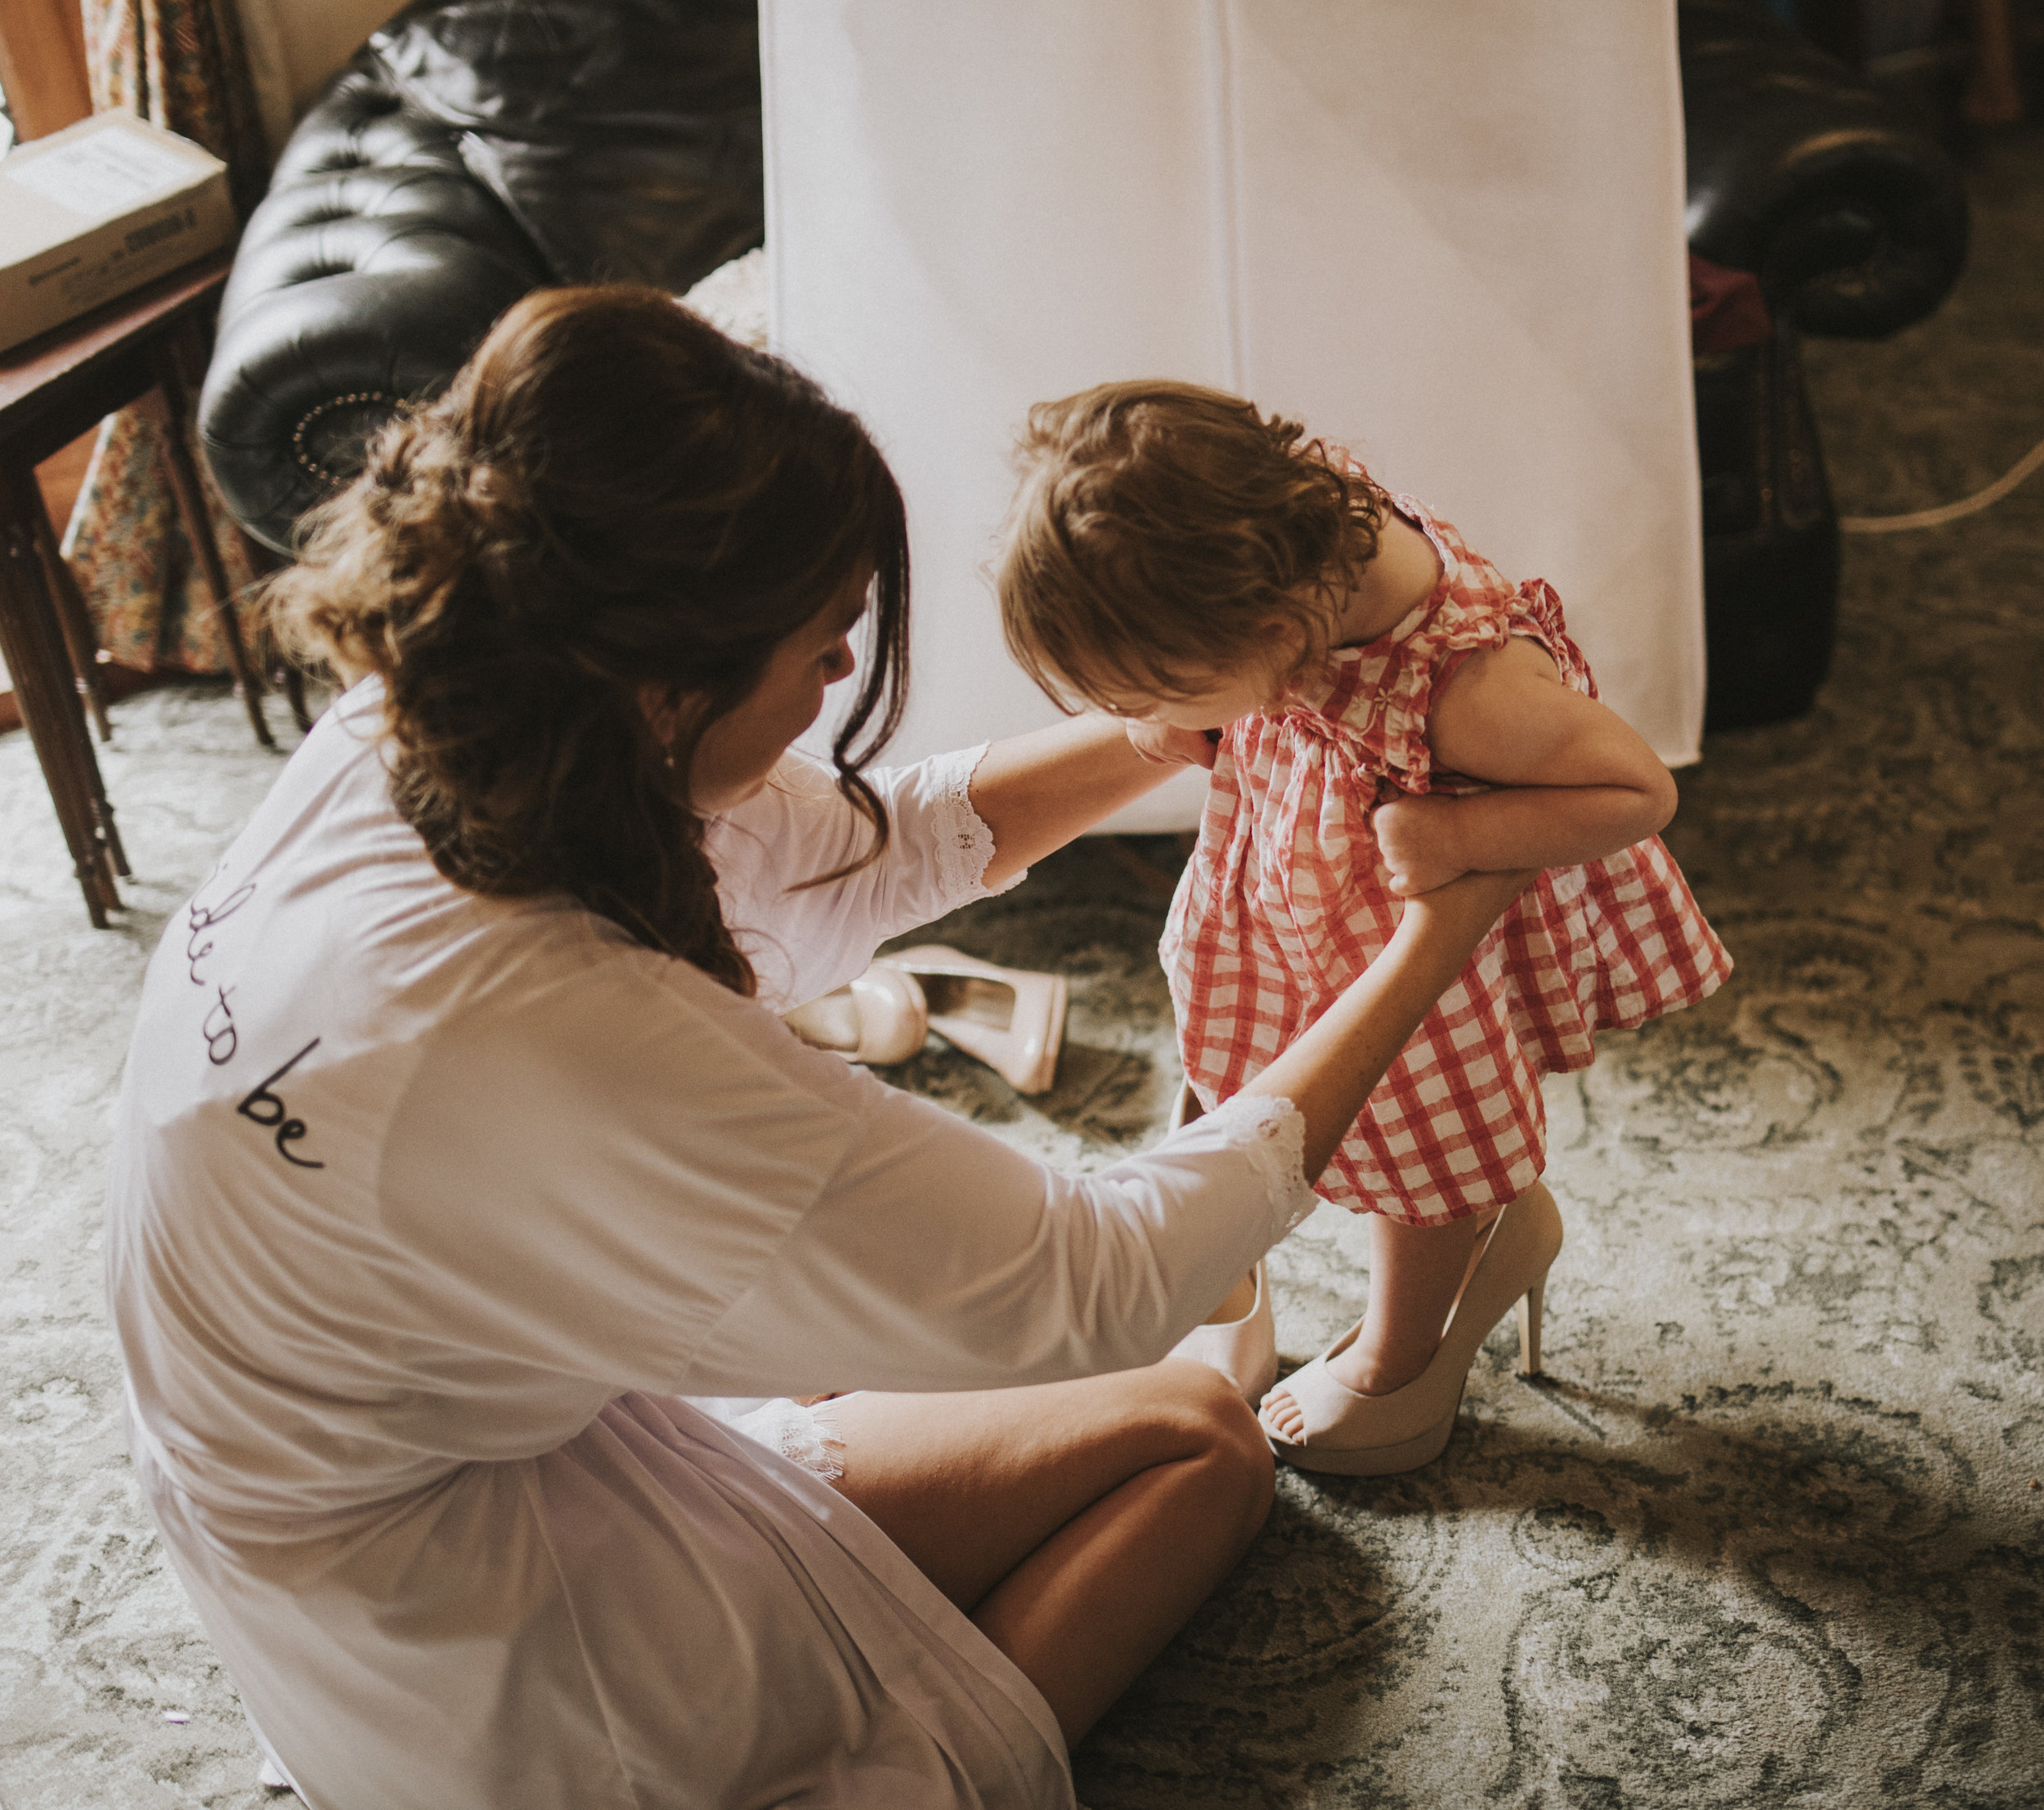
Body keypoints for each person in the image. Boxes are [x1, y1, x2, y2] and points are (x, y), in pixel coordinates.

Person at [105, 288, 1532, 1810]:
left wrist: (1163, 726)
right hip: (458, 1631)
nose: (842, 674)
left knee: (1187, 1417)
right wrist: (1435, 933)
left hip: (352, 1461)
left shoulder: (430, 723)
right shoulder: (560, 1043)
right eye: (818, 644)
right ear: (664, 686)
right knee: (1203, 1441)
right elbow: (1088, 1287)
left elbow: (873, 844)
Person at [997, 379, 1732, 1477]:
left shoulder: (1472, 689)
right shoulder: (1290, 520)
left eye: (1165, 688)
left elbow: (1639, 793)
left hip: (1409, 909)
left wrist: (1455, 837)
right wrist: (1191, 709)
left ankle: (1407, 1341)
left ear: (1280, 635)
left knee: (1414, 1125)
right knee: (1220, 1011)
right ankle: (1219, 1266)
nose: (1149, 722)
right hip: (1297, 858)